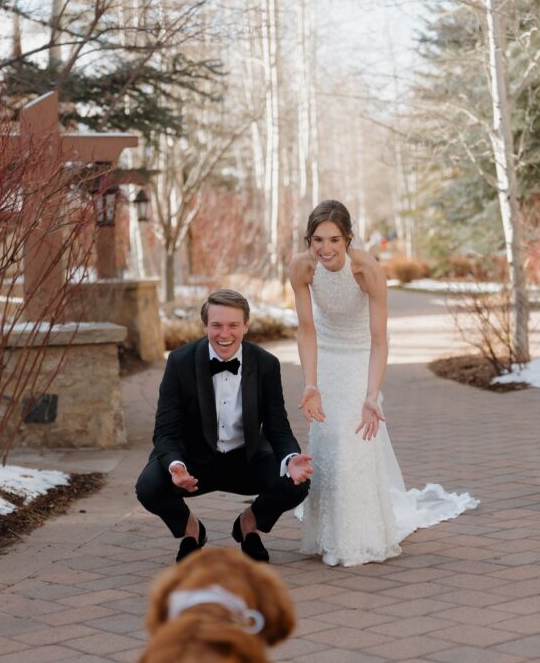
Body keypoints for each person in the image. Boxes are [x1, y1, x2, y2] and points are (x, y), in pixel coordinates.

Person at [290, 199, 478, 567]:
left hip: (361, 356)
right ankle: (327, 533)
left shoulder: (368, 270)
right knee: (328, 444)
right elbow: (306, 329)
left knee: (352, 444)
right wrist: (310, 384)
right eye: (317, 240)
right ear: (308, 240)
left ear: (348, 239)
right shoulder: (301, 267)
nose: (325, 249)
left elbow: (379, 339)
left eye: (334, 240)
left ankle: (359, 539)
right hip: (326, 357)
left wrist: (372, 393)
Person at [135, 289, 313, 563]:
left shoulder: (266, 364)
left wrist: (291, 458)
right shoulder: (180, 362)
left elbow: (278, 426)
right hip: (193, 461)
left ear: (246, 326)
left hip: (247, 459)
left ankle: (248, 525)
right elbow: (165, 431)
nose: (224, 334)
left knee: (296, 484)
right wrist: (175, 466)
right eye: (216, 325)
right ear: (205, 325)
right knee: (149, 487)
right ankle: (191, 530)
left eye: (233, 325)